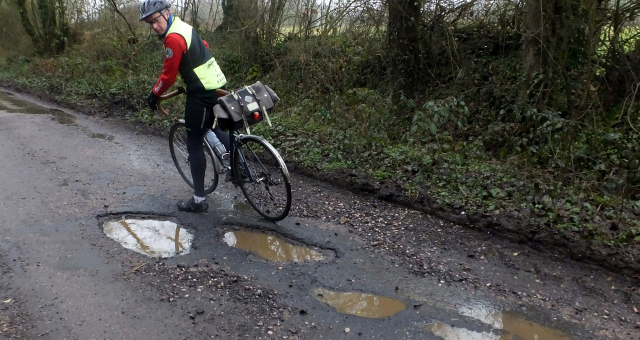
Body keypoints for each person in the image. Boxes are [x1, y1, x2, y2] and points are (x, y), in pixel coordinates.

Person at [140, 0, 230, 213]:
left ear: (166, 13)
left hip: (201, 92)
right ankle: (238, 167)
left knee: (194, 143)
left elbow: (168, 75)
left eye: (156, 20)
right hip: (217, 83)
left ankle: (199, 201)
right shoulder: (183, 26)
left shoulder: (172, 38)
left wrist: (155, 94)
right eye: (149, 23)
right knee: (215, 126)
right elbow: (203, 46)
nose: (154, 26)